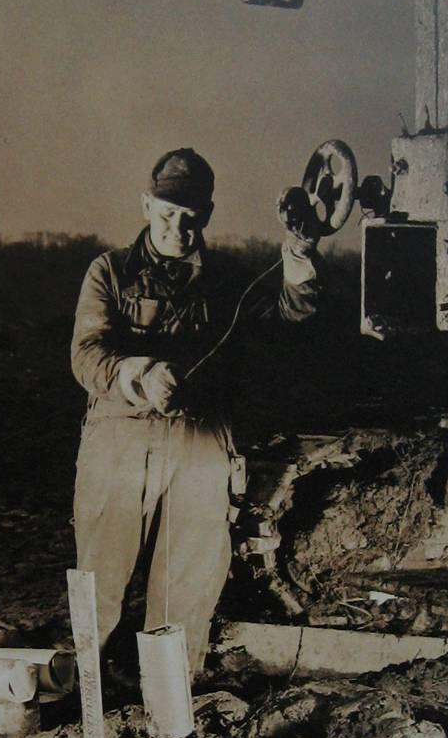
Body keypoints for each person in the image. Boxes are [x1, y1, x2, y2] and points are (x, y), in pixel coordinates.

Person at [70, 147, 322, 677]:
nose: (178, 228)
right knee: (100, 584)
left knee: (187, 588)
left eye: (190, 217)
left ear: (205, 214)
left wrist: (300, 252)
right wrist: (138, 373)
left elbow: (289, 313)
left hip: (201, 444)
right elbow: (87, 353)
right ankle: (82, 713)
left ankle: (170, 712)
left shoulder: (228, 279)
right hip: (121, 442)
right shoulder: (108, 271)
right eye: (166, 213)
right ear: (146, 204)